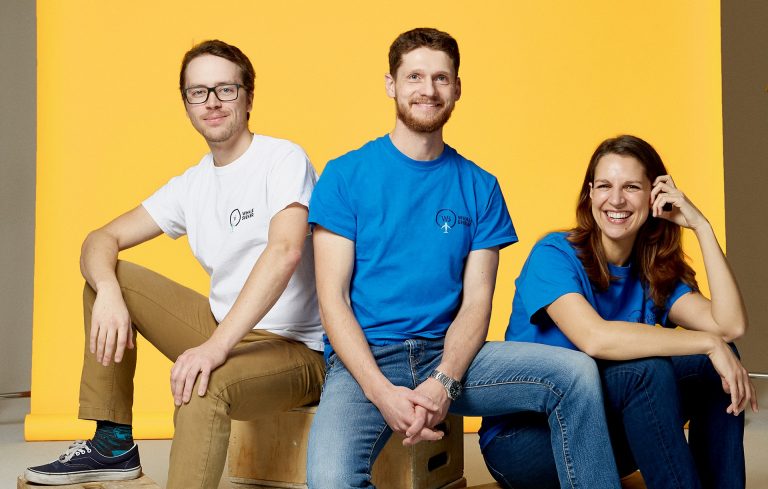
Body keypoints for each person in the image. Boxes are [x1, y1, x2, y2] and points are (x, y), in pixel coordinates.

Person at [305, 27, 622, 489]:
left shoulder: (480, 186)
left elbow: (477, 302)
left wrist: (442, 382)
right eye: (414, 77)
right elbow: (332, 300)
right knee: (331, 482)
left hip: (452, 354)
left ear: (456, 88)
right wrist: (381, 392)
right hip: (366, 361)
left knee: (574, 373)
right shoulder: (345, 176)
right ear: (391, 85)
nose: (428, 90)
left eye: (440, 78)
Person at [24, 40, 325, 488]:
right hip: (224, 329)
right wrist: (107, 291)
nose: (213, 102)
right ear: (186, 104)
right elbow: (100, 239)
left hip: (297, 349)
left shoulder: (281, 159)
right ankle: (112, 444)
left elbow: (285, 251)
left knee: (202, 386)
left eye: (225, 88)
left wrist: (216, 348)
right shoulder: (192, 185)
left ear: (248, 96)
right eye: (198, 92)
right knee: (110, 278)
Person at [480, 134, 758, 489]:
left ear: (654, 196)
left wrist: (702, 226)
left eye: (631, 187)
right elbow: (595, 338)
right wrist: (707, 343)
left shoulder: (654, 271)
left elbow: (729, 326)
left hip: (603, 428)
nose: (616, 199)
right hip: (525, 441)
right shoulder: (554, 255)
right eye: (604, 186)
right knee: (648, 370)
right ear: (590, 194)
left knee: (718, 362)